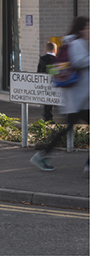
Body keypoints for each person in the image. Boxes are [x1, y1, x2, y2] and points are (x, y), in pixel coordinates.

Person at [31, 16, 90, 173]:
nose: (89, 30)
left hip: (76, 98)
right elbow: (78, 62)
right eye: (87, 27)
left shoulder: (71, 43)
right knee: (66, 129)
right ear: (81, 29)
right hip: (80, 98)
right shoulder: (78, 44)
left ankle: (42, 155)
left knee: (66, 129)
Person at [37, 41, 58, 123]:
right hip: (54, 83)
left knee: (46, 100)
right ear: (55, 50)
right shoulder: (57, 60)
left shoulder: (42, 59)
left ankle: (47, 117)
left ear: (46, 50)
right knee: (52, 100)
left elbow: (38, 71)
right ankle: (49, 117)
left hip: (44, 83)